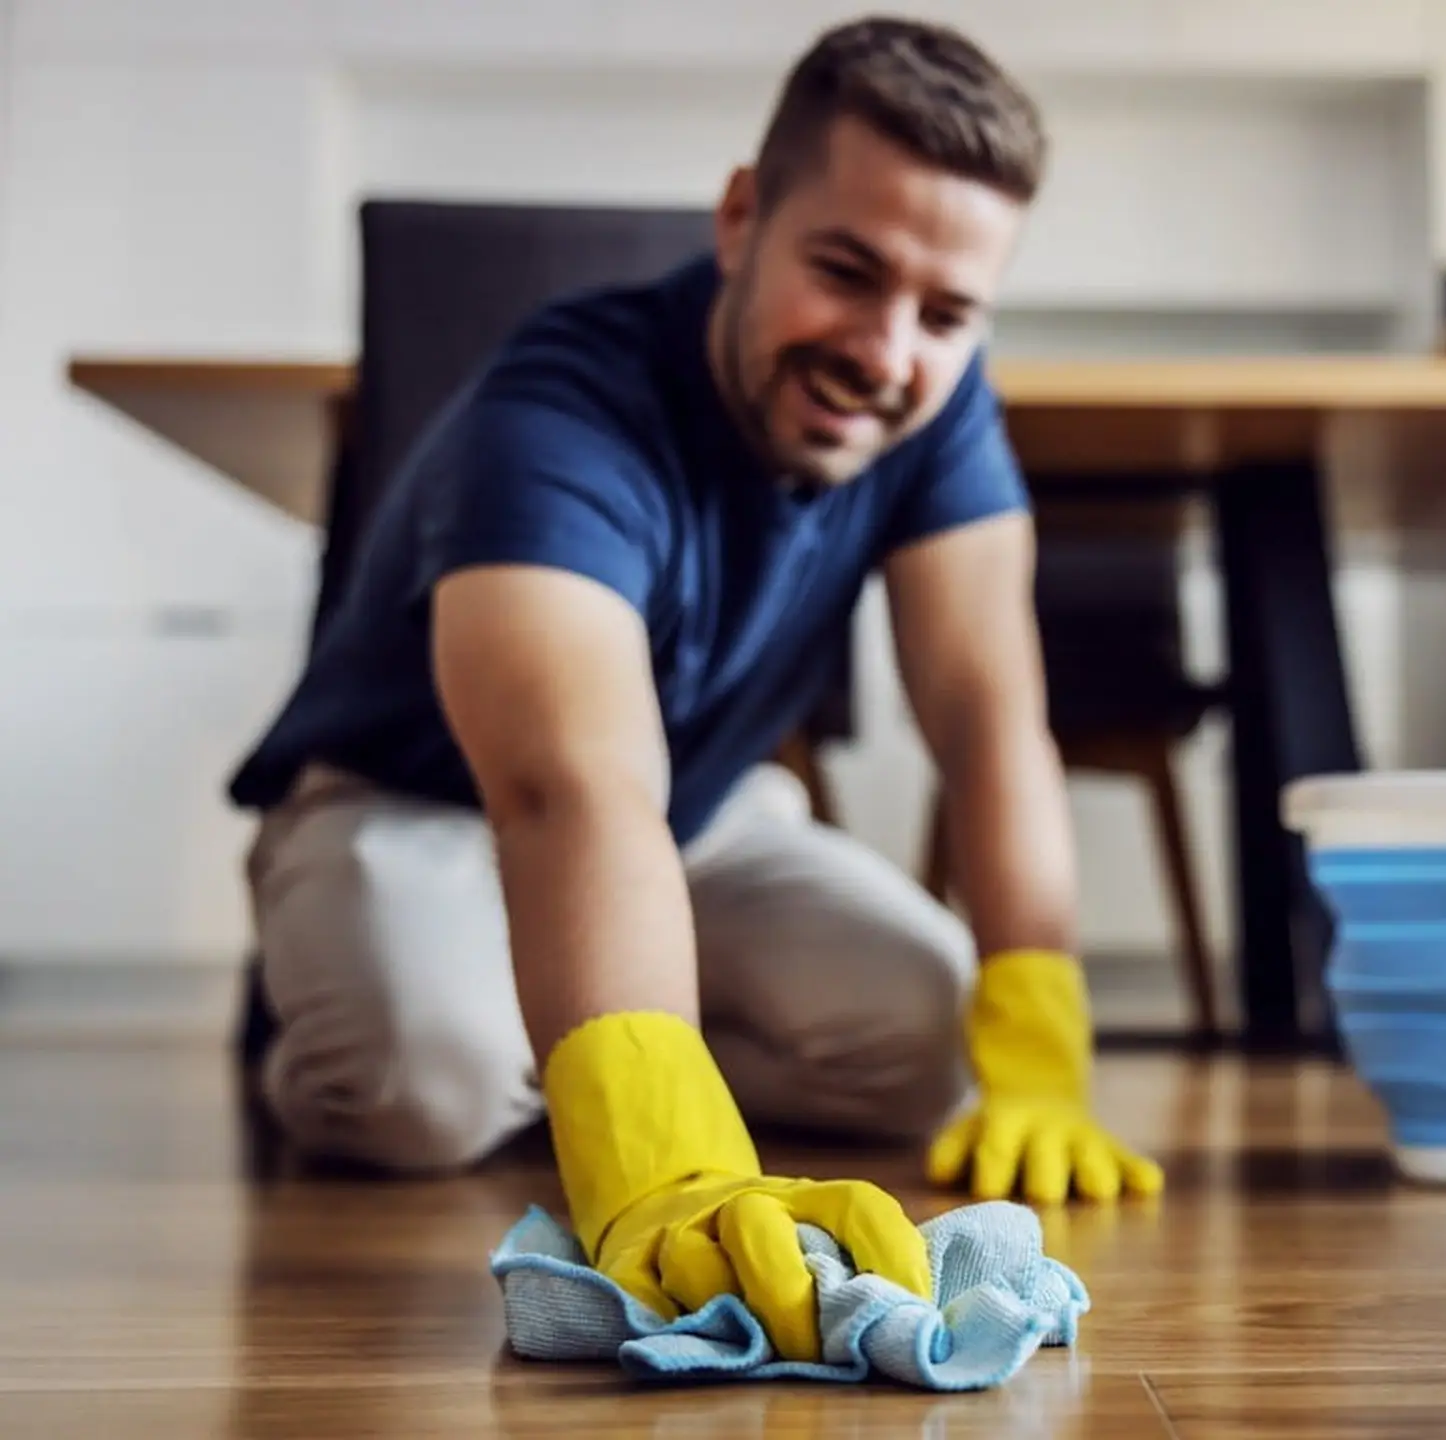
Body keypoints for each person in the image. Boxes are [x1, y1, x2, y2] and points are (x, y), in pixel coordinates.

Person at [224, 15, 1160, 1360]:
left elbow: (991, 719)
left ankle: (569, 1028)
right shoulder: (554, 417)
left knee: (930, 1047)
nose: (890, 354)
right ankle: (480, 1031)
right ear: (742, 217)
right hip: (415, 807)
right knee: (417, 1089)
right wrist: (658, 1146)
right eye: (847, 271)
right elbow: (565, 787)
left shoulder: (939, 408)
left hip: (698, 816)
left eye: (948, 314)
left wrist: (1040, 1024)